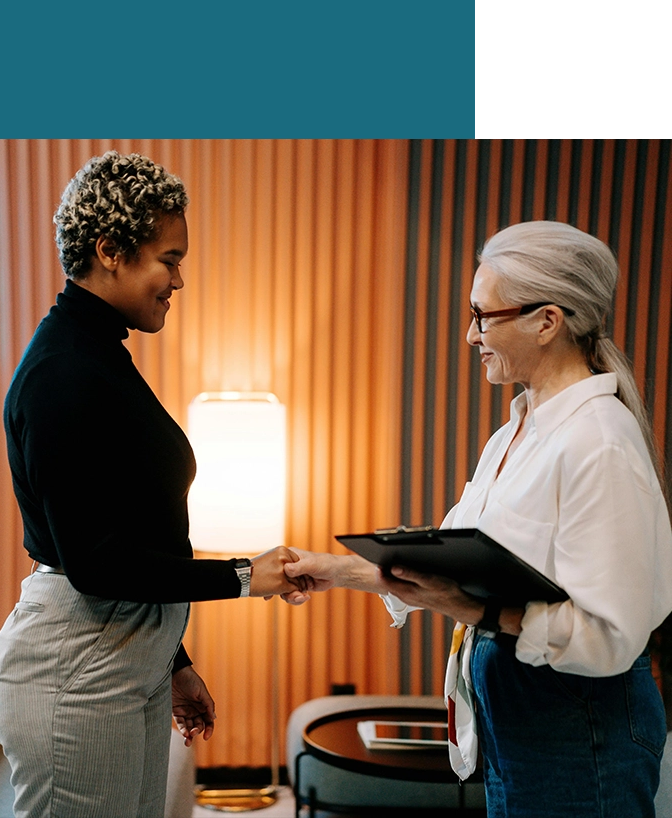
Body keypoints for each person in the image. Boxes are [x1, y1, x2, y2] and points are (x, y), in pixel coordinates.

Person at [286, 221, 672, 817]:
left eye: (483, 315)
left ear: (547, 321)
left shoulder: (600, 441)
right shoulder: (515, 432)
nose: (470, 335)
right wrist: (333, 571)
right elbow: (449, 561)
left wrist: (474, 611)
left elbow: (610, 637)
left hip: (579, 737)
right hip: (521, 728)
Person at [0, 151, 305, 818]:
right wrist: (246, 575)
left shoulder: (100, 354)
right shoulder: (60, 374)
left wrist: (174, 658)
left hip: (124, 651)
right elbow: (96, 561)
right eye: (170, 258)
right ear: (110, 250)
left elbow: (139, 529)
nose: (179, 279)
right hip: (74, 669)